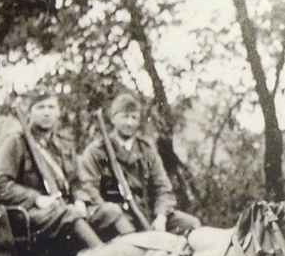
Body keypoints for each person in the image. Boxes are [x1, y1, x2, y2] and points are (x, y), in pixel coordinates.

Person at [0, 87, 102, 254]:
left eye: (51, 107)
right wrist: (36, 199)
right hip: (32, 214)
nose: (46, 113)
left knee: (109, 212)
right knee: (70, 215)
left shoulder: (64, 145)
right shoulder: (17, 143)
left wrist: (80, 201)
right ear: (30, 113)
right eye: (40, 107)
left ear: (58, 113)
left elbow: (76, 182)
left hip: (64, 208)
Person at [78, 93, 201, 240]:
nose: (129, 123)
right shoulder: (96, 151)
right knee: (131, 237)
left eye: (134, 118)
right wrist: (110, 211)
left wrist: (161, 216)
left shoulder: (147, 151)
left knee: (191, 225)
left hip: (147, 214)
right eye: (124, 117)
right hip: (115, 219)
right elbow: (89, 188)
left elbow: (163, 188)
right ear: (113, 118)